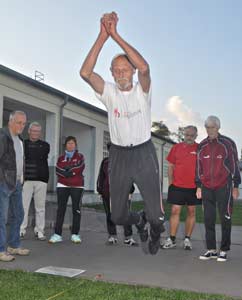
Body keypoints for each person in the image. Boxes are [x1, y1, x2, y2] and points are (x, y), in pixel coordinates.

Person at [80, 12, 164, 255]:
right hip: (119, 156)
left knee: (157, 217)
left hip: (144, 154)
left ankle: (154, 229)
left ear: (133, 72)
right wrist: (101, 36)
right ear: (111, 72)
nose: (120, 74)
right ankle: (138, 221)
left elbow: (145, 66)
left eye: (125, 69)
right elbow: (86, 73)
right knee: (117, 215)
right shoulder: (108, 92)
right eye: (116, 70)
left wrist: (115, 34)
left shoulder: (142, 91)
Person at [196, 116, 241, 262]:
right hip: (207, 187)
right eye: (207, 127)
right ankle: (211, 249)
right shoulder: (201, 145)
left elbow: (234, 165)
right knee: (208, 218)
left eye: (212, 127)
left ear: (218, 128)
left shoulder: (228, 143)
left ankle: (224, 250)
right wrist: (198, 186)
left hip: (224, 186)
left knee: (225, 217)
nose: (210, 130)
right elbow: (198, 168)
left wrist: (235, 185)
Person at [162, 126, 200, 250]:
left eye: (192, 135)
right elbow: (171, 166)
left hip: (194, 187)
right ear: (184, 134)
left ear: (196, 136)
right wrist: (171, 184)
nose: (189, 137)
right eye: (187, 134)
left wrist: (201, 187)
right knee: (175, 211)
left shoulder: (200, 149)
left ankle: (187, 239)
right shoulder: (176, 148)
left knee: (191, 212)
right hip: (177, 186)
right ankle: (172, 239)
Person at [0, 111, 30, 262]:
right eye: (19, 122)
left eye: (24, 123)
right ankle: (0, 250)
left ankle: (13, 245)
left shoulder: (20, 139)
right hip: (4, 183)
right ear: (10, 121)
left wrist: (22, 178)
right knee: (2, 217)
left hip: (17, 182)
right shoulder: (3, 136)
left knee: (18, 214)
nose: (22, 126)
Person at [97, 143, 138, 246]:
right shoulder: (105, 162)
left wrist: (130, 191)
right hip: (108, 193)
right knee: (109, 215)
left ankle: (128, 238)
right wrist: (100, 191)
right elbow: (101, 177)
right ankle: (112, 236)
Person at [49, 136, 85, 244]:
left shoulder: (80, 156)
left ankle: (75, 234)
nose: (70, 145)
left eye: (72, 143)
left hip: (77, 186)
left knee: (76, 210)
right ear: (66, 145)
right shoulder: (60, 158)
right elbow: (58, 170)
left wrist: (68, 171)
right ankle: (57, 234)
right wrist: (68, 172)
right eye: (68, 143)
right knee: (61, 210)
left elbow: (80, 167)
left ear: (75, 145)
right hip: (62, 186)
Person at [20, 122, 50, 241]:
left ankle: (40, 231)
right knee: (23, 206)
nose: (35, 133)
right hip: (26, 180)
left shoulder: (45, 145)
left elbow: (37, 155)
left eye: (37, 131)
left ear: (40, 133)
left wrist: (29, 154)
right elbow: (27, 155)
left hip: (41, 180)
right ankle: (21, 230)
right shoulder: (23, 143)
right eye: (33, 130)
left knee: (40, 207)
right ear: (29, 131)